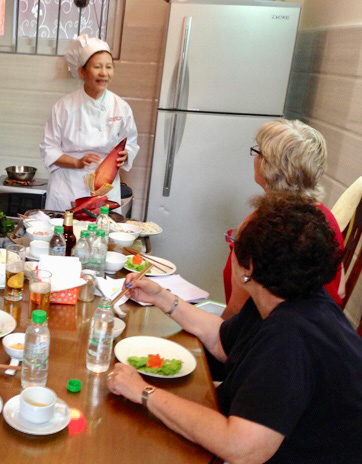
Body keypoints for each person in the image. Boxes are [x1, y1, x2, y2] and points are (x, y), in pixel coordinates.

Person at [108, 192, 362, 464]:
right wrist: (161, 297)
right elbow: (222, 342)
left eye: (234, 242)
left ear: (248, 267)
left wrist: (144, 392)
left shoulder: (291, 336)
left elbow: (242, 448)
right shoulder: (286, 293)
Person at [222, 119, 344, 319]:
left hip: (262, 339)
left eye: (258, 152)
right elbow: (340, 291)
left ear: (270, 166)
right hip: (314, 333)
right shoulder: (325, 219)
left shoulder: (262, 225)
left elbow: (237, 310)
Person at [40, 34, 139, 211]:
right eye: (97, 67)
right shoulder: (64, 107)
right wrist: (77, 162)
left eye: (109, 67)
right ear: (82, 71)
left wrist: (126, 154)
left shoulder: (121, 107)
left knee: (101, 235)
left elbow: (130, 143)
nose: (104, 73)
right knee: (66, 235)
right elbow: (49, 148)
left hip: (105, 189)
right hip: (68, 187)